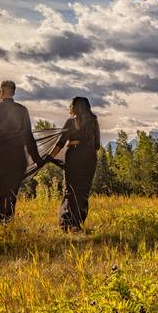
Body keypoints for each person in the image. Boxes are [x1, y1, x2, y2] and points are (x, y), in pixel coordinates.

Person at [0, 80, 44, 224]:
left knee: (0, 191)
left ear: (1, 92)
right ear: (13, 92)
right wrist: (37, 159)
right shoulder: (22, 110)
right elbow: (29, 137)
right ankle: (9, 221)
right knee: (12, 192)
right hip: (18, 158)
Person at [51, 97, 100, 233]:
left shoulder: (71, 122)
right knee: (83, 191)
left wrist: (50, 156)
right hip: (90, 158)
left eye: (71, 105)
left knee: (70, 191)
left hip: (74, 157)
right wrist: (86, 148)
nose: (69, 107)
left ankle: (66, 224)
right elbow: (97, 146)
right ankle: (77, 225)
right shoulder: (93, 122)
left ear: (76, 107)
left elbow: (60, 143)